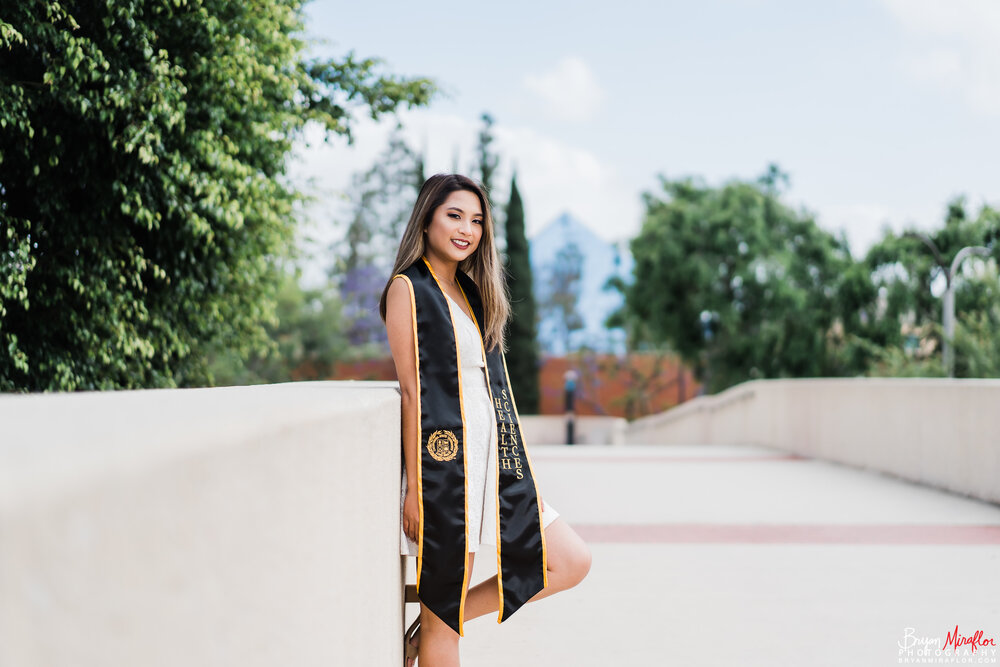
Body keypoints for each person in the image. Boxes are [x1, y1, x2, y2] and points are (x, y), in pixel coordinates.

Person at [380, 173, 592, 666]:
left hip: (496, 464)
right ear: (427, 219)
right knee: (444, 636)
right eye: (454, 215)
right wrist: (415, 487)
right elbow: (413, 392)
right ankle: (433, 624)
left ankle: (432, 618)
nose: (466, 229)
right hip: (447, 472)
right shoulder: (408, 290)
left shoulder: (473, 294)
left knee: (569, 560)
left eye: (476, 220)